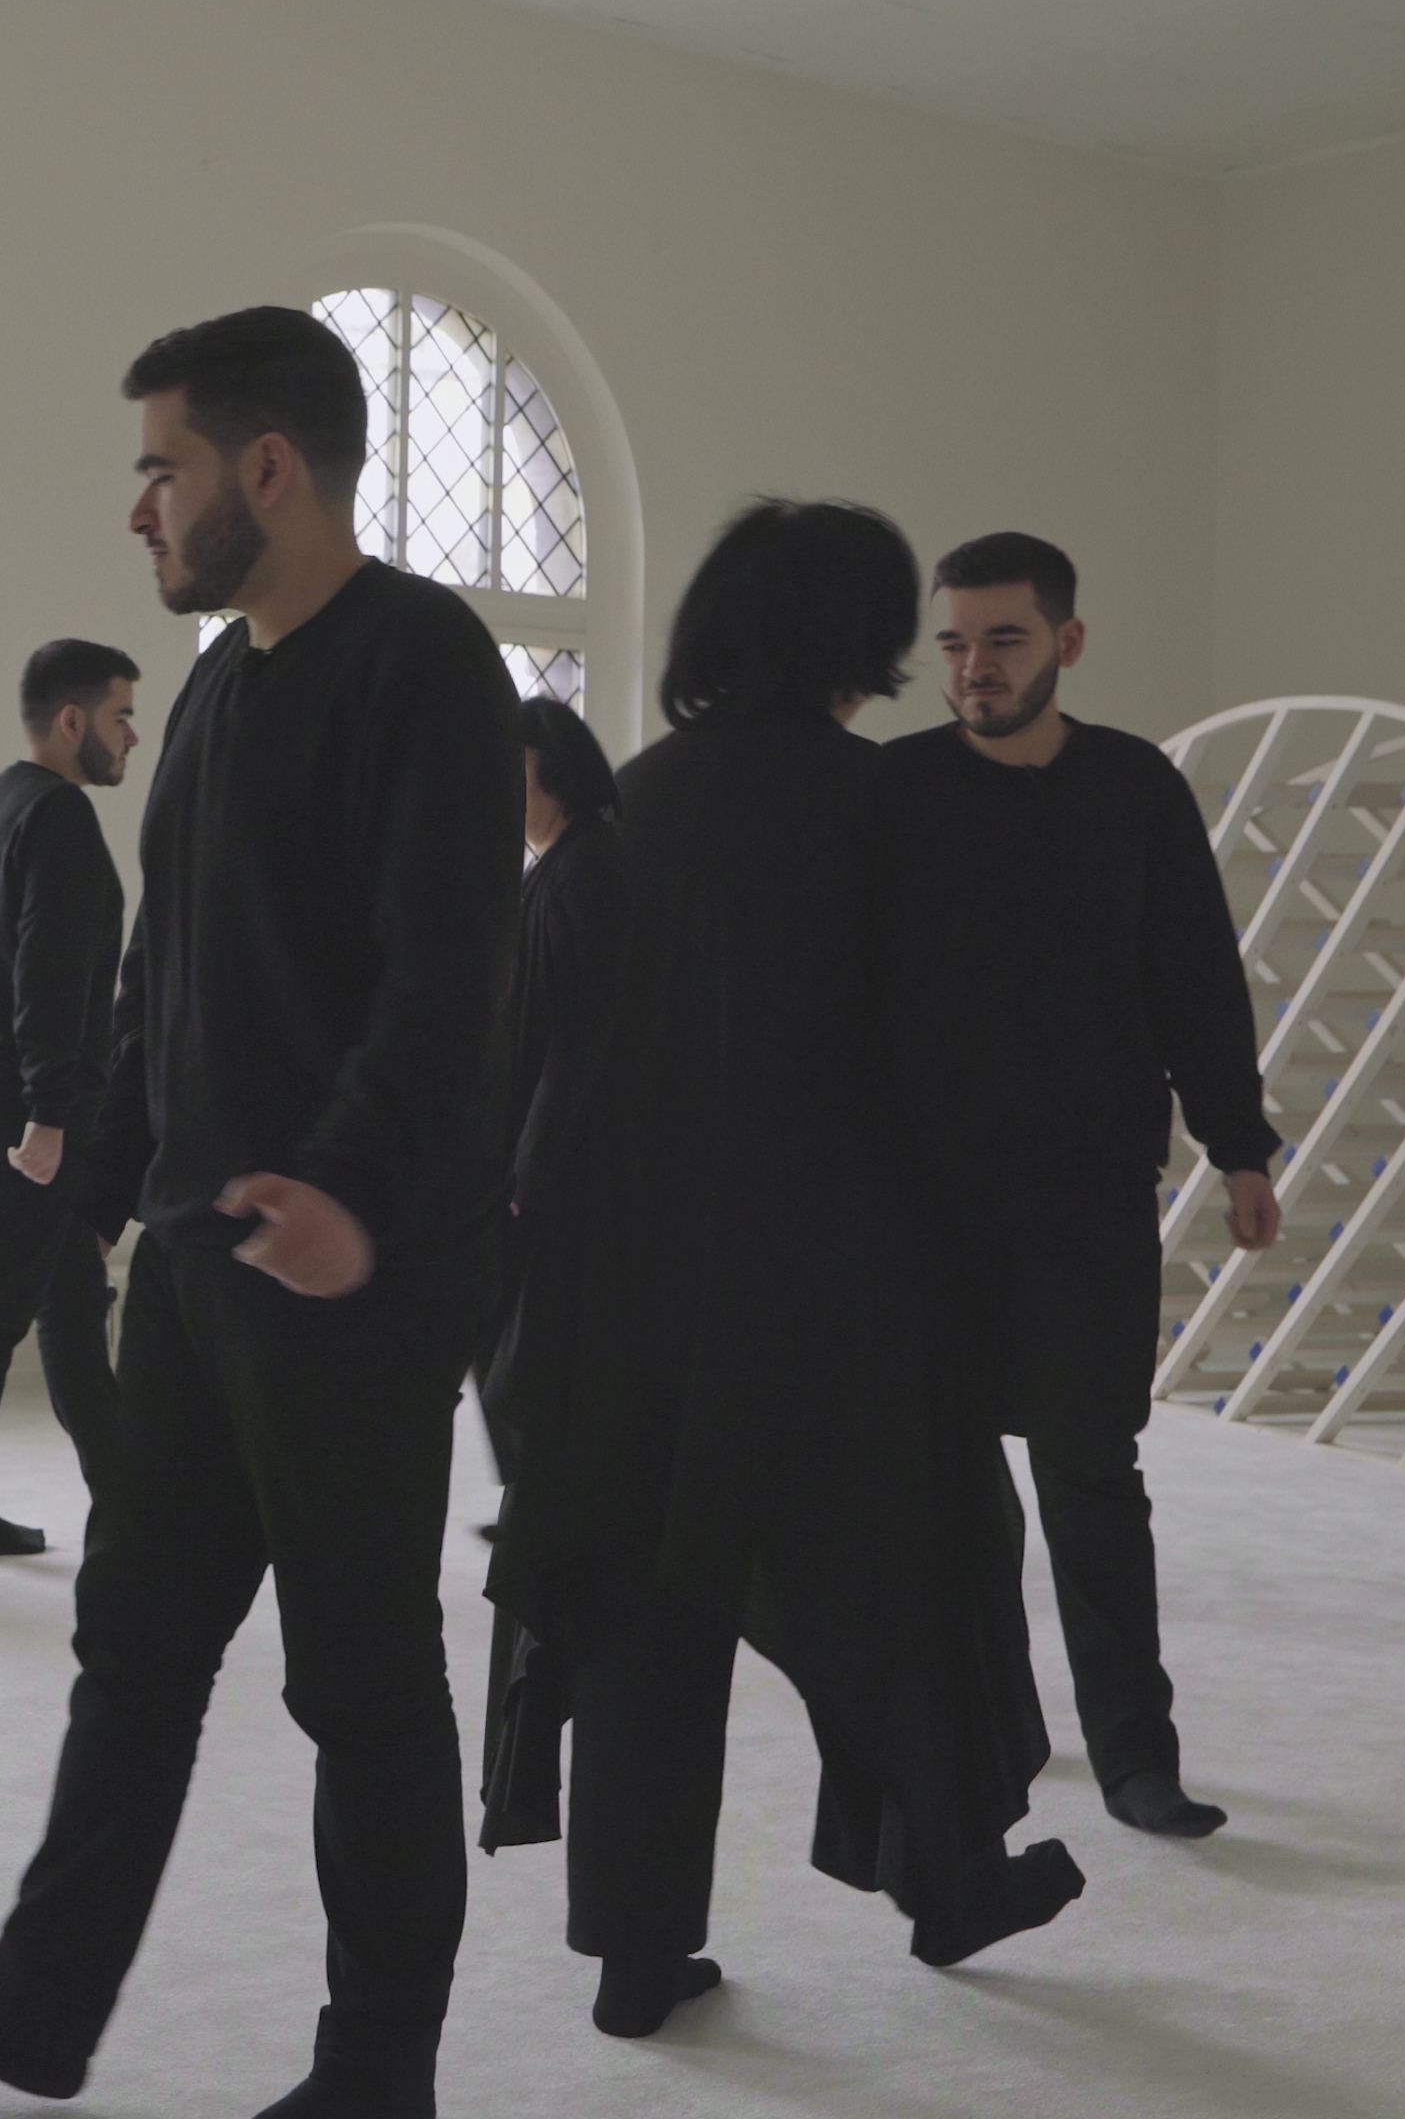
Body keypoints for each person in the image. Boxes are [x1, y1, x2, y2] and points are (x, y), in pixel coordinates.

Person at [0, 307, 516, 2119]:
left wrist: (350, 1196)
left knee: (361, 1686)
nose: (140, 508)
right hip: (204, 1272)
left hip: (346, 1277)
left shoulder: (426, 663)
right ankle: (38, 2009)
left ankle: (379, 2068)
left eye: (162, 467)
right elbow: (168, 974)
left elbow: (453, 976)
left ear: (268, 471)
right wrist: (104, 1196)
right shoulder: (218, 686)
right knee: (133, 1651)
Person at [479, 500, 1078, 2039]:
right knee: (909, 1579)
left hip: (630, 1295)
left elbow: (542, 1076)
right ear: (862, 637)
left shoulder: (625, 820)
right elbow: (949, 1074)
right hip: (839, 1293)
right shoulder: (893, 812)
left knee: (642, 1615)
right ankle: (950, 1879)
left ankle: (635, 1952)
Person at [879, 531, 1279, 1840]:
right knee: (939, 1483)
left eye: (1002, 638)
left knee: (1090, 1472)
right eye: (954, 643)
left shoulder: (1135, 790)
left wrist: (1241, 1148)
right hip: (925, 1200)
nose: (974, 666)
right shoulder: (896, 792)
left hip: (1086, 1194)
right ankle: (986, 1734)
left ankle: (1135, 1758)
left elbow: (1194, 981)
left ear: (1067, 641)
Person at [0, 638, 139, 1556]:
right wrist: (49, 1118)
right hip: (26, 1108)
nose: (134, 735)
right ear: (72, 720)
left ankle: (131, 1497)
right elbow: (48, 977)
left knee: (72, 1309)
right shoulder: (57, 818)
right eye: (123, 716)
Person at [472, 690, 627, 1515]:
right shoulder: (556, 869)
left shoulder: (590, 869)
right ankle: (536, 1490)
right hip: (530, 1146)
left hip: (564, 1157)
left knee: (531, 1340)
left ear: (555, 773)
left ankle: (546, 1494)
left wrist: (533, 1159)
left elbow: (582, 1036)